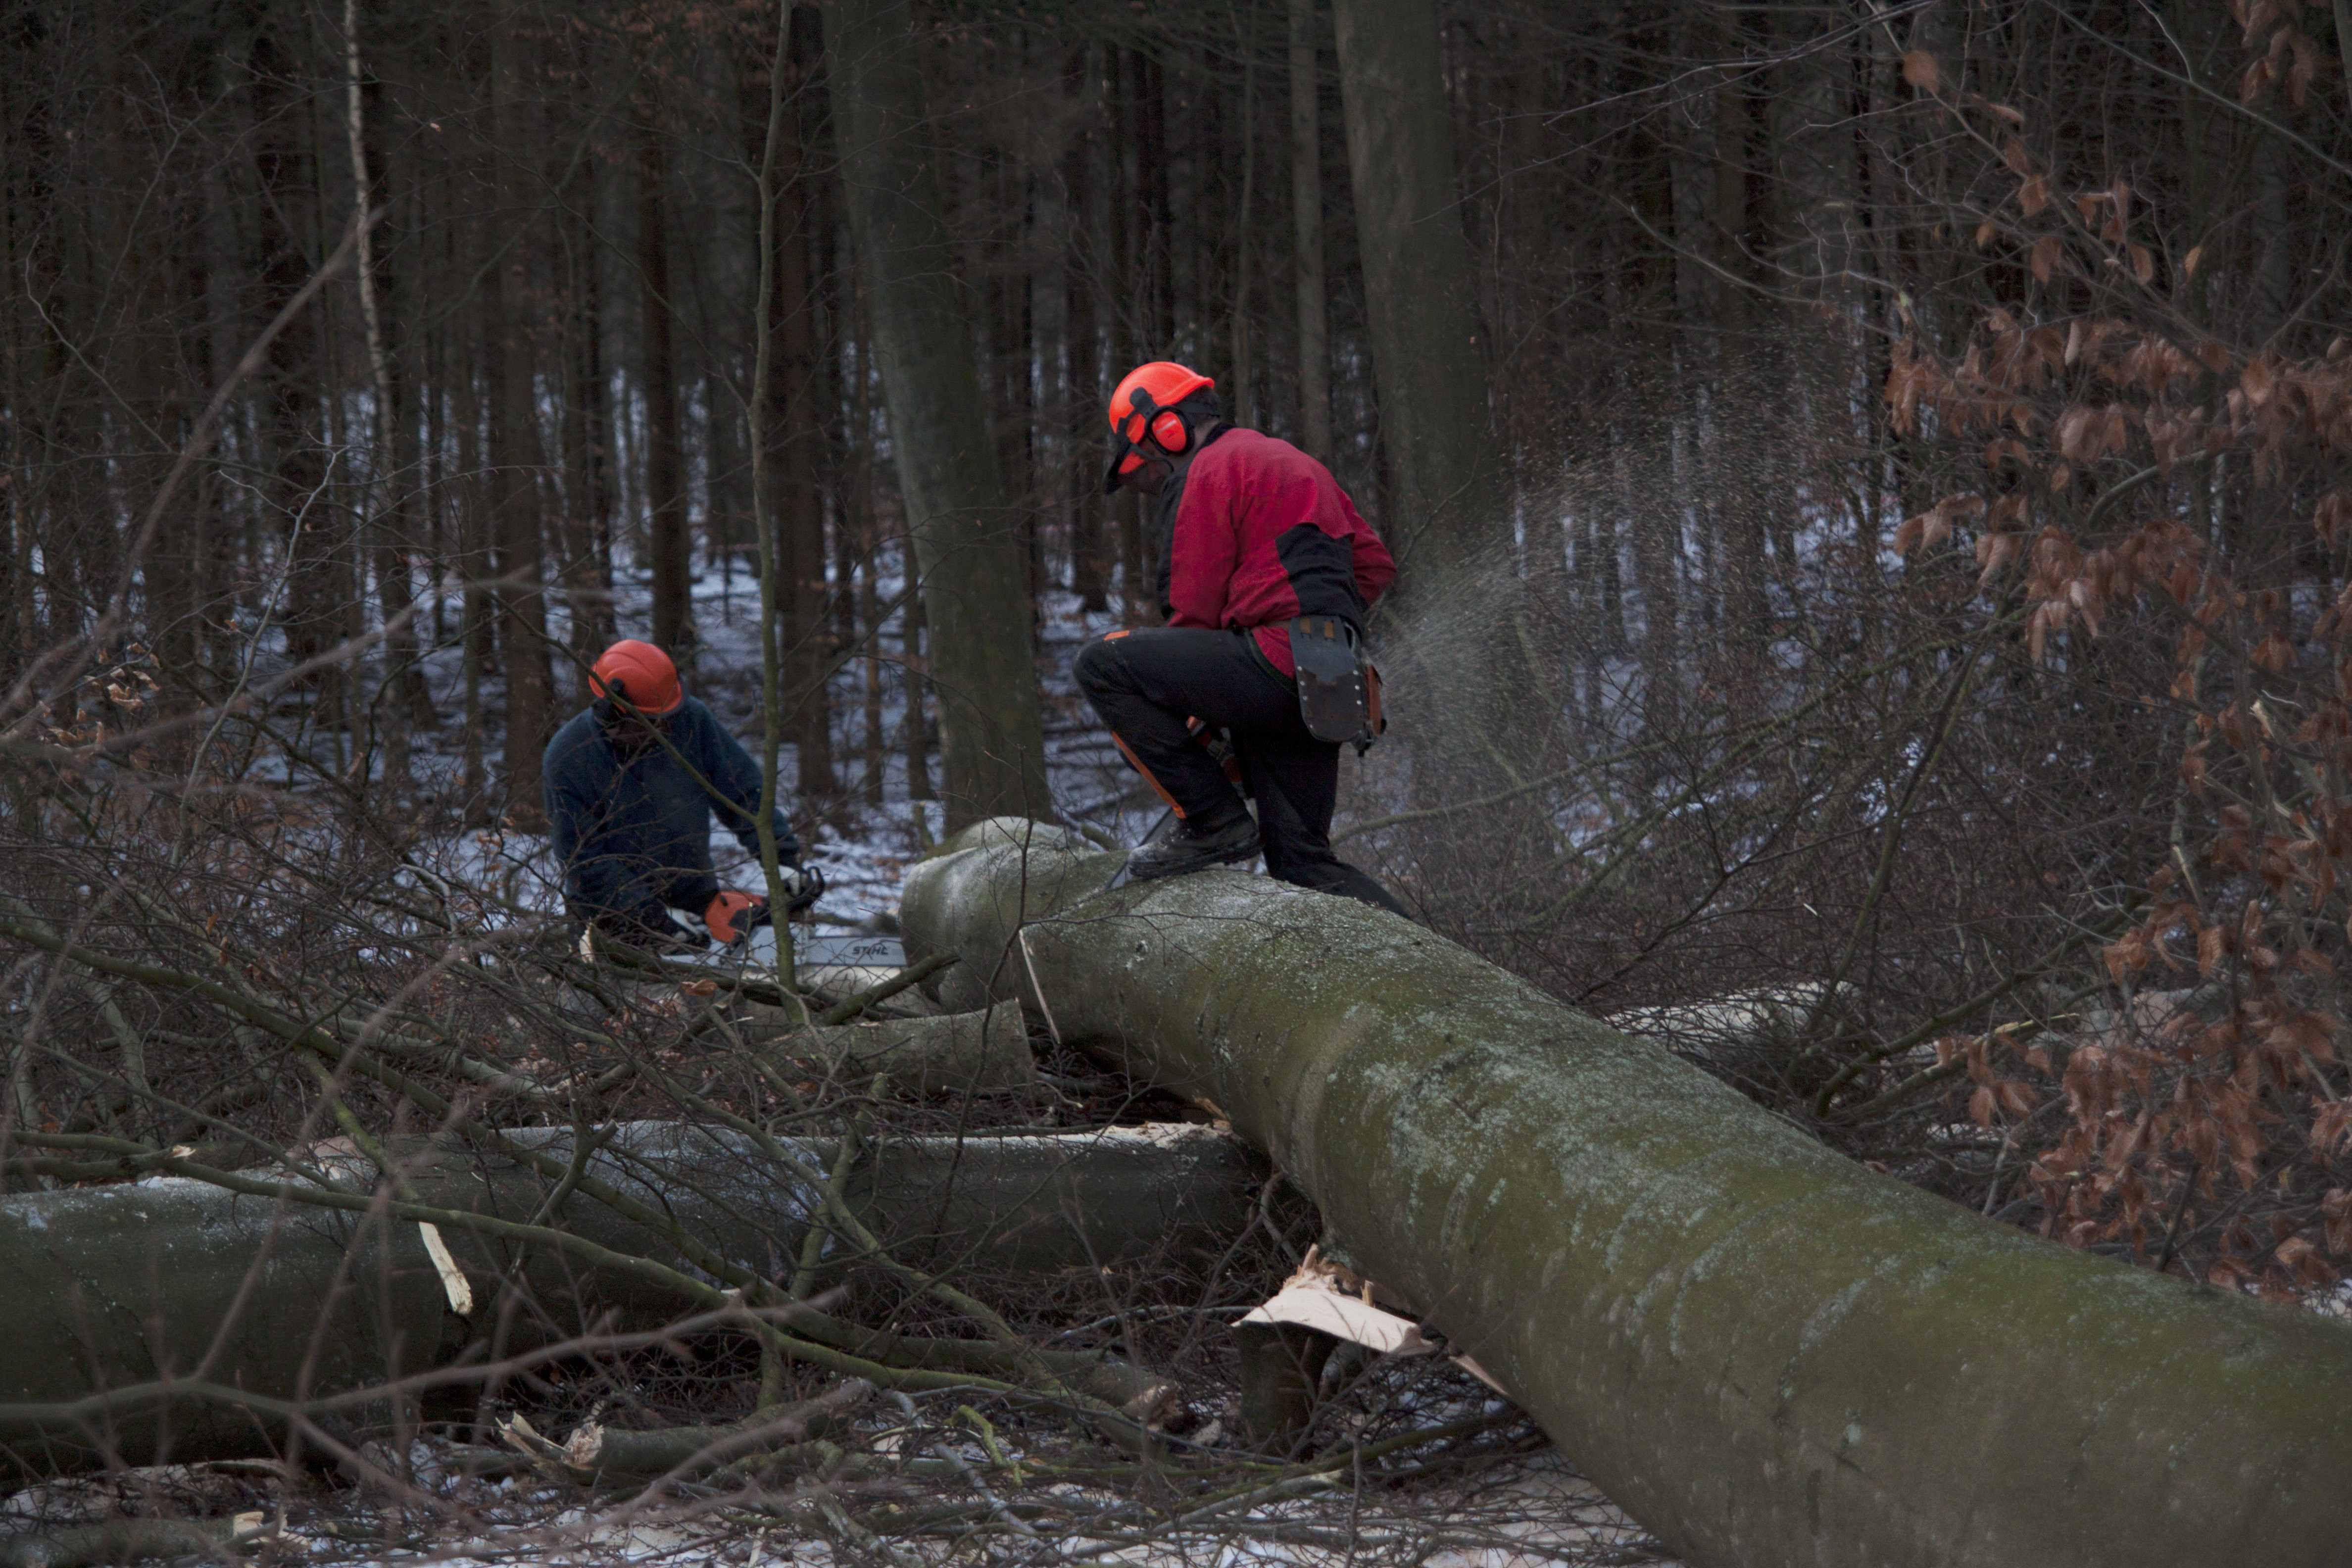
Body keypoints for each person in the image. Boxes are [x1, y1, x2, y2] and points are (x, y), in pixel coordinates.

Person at [1074, 361, 1410, 916]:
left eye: (1148, 468)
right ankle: (1430, 965)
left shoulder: (1208, 470)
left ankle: (1213, 821)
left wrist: (1189, 714)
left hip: (1276, 659)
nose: (1152, 481)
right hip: (1330, 677)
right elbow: (1373, 566)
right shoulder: (1301, 465)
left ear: (1167, 429)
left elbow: (1193, 610)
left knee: (1102, 664)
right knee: (1303, 864)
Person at [544, 638, 816, 949]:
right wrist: (649, 916)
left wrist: (780, 856)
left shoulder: (691, 720)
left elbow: (742, 789)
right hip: (610, 917)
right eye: (656, 722)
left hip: (694, 897)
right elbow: (584, 861)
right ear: (614, 716)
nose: (668, 728)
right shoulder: (569, 757)